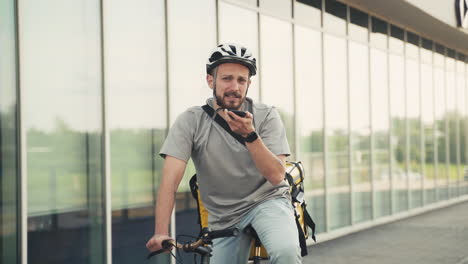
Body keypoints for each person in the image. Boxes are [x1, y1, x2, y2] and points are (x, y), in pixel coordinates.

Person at [146, 43, 301, 264]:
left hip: (267, 200)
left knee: (285, 252)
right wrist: (160, 231)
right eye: (227, 78)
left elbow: (277, 176)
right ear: (211, 80)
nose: (235, 87)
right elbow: (169, 181)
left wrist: (250, 135)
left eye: (241, 80)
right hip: (224, 215)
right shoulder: (191, 121)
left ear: (248, 84)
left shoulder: (266, 116)